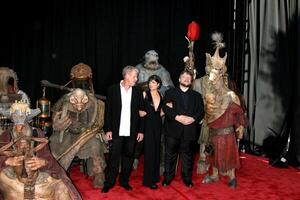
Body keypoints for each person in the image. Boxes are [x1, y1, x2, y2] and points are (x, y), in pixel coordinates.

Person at [0, 101, 81, 199]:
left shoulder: (37, 133)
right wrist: (7, 161)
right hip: (13, 177)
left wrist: (43, 162)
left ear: (28, 118)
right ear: (12, 118)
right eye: (16, 117)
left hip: (37, 173)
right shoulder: (6, 135)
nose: (20, 126)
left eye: (22, 117)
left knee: (61, 186)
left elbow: (47, 156)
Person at [201, 32, 246, 189]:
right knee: (213, 155)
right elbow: (207, 113)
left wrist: (240, 127)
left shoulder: (230, 95)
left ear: (221, 76)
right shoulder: (210, 95)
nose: (211, 82)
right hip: (214, 132)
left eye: (214, 78)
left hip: (227, 132)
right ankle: (213, 175)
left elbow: (240, 112)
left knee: (229, 155)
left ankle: (232, 178)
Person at [49, 88, 106, 188]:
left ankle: (98, 173)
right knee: (54, 143)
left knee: (95, 144)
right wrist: (57, 124)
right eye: (75, 103)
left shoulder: (96, 104)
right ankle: (57, 170)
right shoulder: (63, 103)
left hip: (87, 135)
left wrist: (92, 131)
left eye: (82, 103)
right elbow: (55, 121)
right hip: (67, 134)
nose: (79, 107)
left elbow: (99, 123)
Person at [102, 66, 144, 193]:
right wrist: (108, 130)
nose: (136, 79)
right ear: (126, 75)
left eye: (136, 77)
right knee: (113, 158)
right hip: (116, 131)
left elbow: (142, 112)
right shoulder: (112, 89)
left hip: (132, 131)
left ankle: (124, 181)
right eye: (134, 76)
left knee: (128, 158)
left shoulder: (137, 91)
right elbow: (107, 112)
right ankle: (109, 182)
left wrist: (141, 131)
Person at [162, 70, 204, 188]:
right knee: (169, 156)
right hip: (172, 130)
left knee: (188, 156)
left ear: (191, 81)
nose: (186, 79)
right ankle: (168, 178)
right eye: (183, 77)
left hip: (189, 130)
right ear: (179, 79)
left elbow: (201, 111)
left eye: (188, 78)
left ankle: (187, 178)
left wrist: (192, 119)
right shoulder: (170, 92)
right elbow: (165, 107)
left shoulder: (197, 96)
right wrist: (177, 117)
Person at [140, 75, 163, 189]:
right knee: (149, 152)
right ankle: (148, 181)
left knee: (156, 150)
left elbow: (160, 112)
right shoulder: (145, 94)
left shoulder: (160, 95)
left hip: (157, 125)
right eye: (150, 82)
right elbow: (139, 109)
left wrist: (169, 108)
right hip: (147, 125)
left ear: (158, 84)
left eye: (153, 82)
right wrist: (140, 112)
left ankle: (155, 177)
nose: (150, 84)